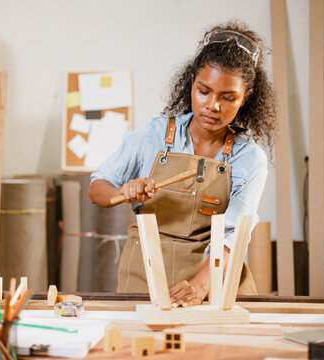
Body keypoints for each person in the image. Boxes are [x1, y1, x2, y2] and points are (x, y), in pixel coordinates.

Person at [88, 21, 277, 308]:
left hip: (212, 282)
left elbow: (231, 239)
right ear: (192, 82)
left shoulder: (249, 159)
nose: (213, 105)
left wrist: (201, 288)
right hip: (146, 276)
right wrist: (124, 191)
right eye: (204, 91)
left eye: (228, 98)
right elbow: (97, 189)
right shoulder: (153, 134)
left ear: (245, 98)